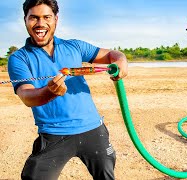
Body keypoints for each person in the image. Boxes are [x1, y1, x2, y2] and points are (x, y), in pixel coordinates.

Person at [7, 0, 128, 179]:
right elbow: (27, 96)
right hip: (53, 134)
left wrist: (121, 61)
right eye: (33, 18)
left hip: (93, 128)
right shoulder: (19, 58)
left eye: (46, 17)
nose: (40, 24)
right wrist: (50, 91)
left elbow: (112, 55)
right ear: (25, 19)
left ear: (55, 19)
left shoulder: (75, 46)